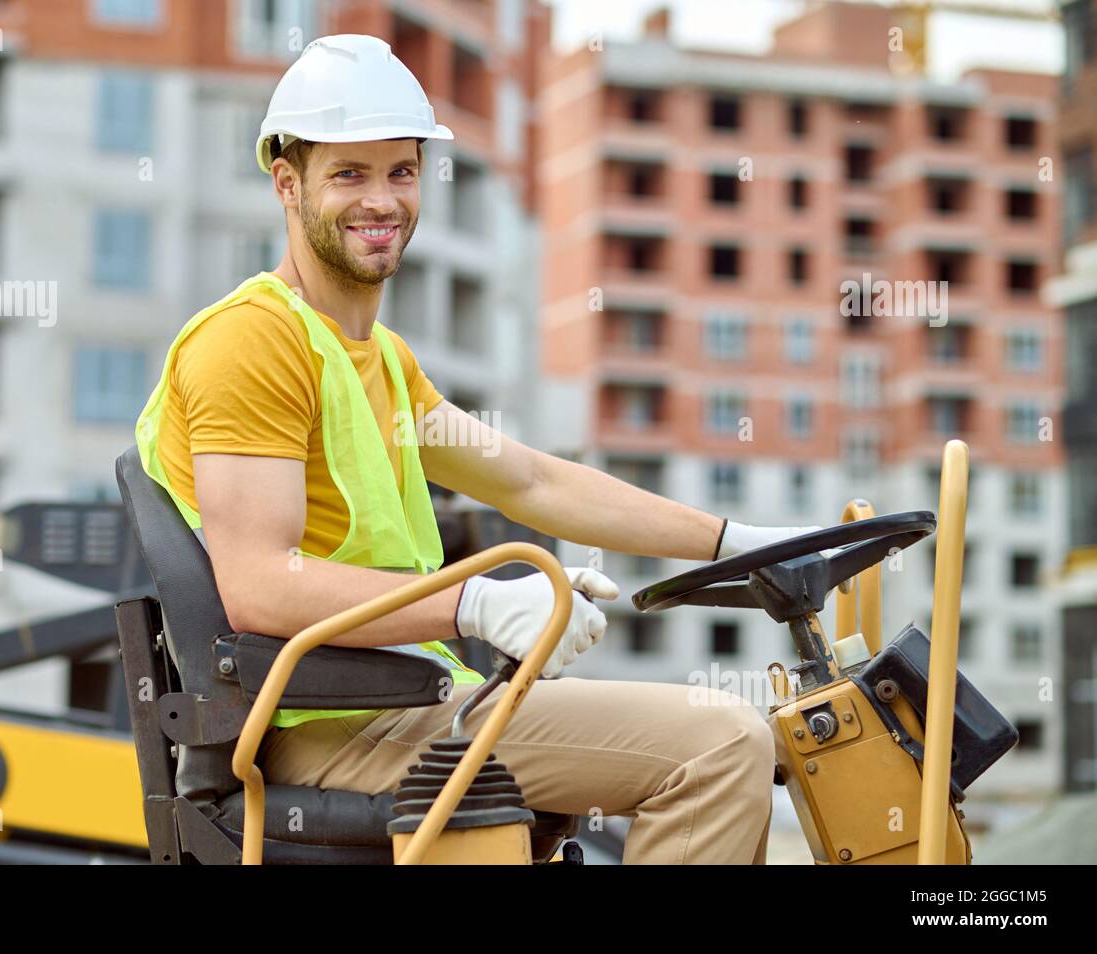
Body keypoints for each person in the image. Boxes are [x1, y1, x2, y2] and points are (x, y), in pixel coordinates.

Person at [135, 34, 819, 864]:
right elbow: (257, 587)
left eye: (401, 171)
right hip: (331, 728)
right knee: (719, 745)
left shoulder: (381, 361)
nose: (381, 201)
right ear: (287, 183)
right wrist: (478, 605)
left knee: (750, 737)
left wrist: (740, 544)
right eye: (348, 174)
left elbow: (528, 480)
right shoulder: (250, 343)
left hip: (406, 699)